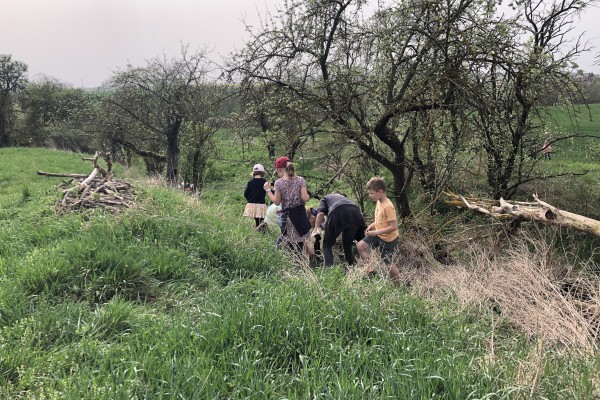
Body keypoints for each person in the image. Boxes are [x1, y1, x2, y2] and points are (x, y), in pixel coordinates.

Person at [356, 177, 401, 286]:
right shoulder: (379, 201)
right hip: (378, 234)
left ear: (380, 192)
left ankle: (398, 286)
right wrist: (372, 225)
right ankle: (372, 272)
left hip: (389, 239)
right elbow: (380, 219)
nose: (369, 195)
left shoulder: (388, 206)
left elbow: (394, 226)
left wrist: (376, 232)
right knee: (360, 246)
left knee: (387, 262)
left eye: (371, 193)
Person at [264, 156, 311, 257]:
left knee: (290, 243)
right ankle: (301, 262)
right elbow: (305, 198)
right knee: (300, 242)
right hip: (300, 215)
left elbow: (276, 202)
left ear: (279, 169)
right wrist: (304, 198)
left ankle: (294, 262)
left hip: (288, 217)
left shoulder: (279, 183)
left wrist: (268, 190)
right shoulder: (300, 180)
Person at [313, 192, 366, 268]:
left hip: (337, 211)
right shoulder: (345, 200)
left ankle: (329, 270)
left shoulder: (325, 198)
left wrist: (315, 229)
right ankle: (353, 267)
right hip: (355, 212)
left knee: (327, 245)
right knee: (347, 246)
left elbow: (320, 214)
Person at [243, 164, 268, 232]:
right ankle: (262, 231)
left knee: (257, 219)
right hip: (261, 204)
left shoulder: (250, 182)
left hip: (252, 204)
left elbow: (245, 194)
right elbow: (268, 191)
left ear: (254, 172)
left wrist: (250, 200)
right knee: (261, 219)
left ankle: (259, 230)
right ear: (262, 173)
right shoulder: (264, 182)